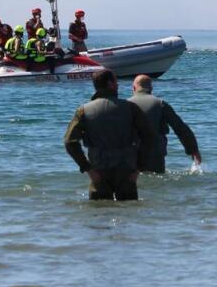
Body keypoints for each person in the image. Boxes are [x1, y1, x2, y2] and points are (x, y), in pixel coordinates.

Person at [64, 69, 156, 201]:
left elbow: (69, 142)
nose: (118, 84)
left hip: (98, 173)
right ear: (110, 84)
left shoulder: (84, 110)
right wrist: (138, 168)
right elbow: (149, 138)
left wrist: (88, 169)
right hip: (126, 173)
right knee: (128, 212)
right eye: (116, 81)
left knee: (99, 211)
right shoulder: (131, 108)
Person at [128, 75, 202, 173]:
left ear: (134, 88)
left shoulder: (125, 105)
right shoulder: (160, 104)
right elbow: (180, 128)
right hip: (155, 156)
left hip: (131, 156)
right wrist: (193, 150)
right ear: (151, 89)